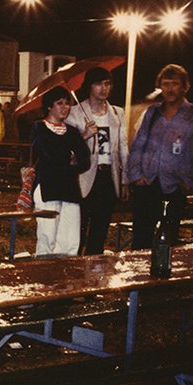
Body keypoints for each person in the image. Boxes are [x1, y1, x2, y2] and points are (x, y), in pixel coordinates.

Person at [126, 64, 193, 249]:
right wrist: (135, 176)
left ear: (184, 86)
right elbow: (137, 145)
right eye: (165, 84)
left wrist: (192, 182)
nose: (170, 89)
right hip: (147, 185)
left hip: (174, 188)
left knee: (166, 242)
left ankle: (160, 277)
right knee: (140, 242)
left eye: (175, 84)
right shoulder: (152, 112)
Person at [65, 67, 129, 254]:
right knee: (79, 227)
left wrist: (125, 180)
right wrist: (84, 135)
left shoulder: (117, 113)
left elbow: (123, 147)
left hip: (108, 177)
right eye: (98, 83)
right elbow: (66, 150)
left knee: (100, 228)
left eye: (107, 83)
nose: (104, 88)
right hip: (82, 177)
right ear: (90, 86)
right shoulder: (75, 113)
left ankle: (94, 272)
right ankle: (75, 269)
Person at [30, 86, 91, 256]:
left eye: (67, 103)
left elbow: (85, 160)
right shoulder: (39, 128)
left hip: (70, 189)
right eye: (59, 103)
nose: (65, 107)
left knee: (70, 239)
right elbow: (49, 156)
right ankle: (43, 273)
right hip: (48, 188)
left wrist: (72, 157)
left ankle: (66, 277)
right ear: (49, 106)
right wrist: (71, 156)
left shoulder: (72, 131)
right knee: (47, 236)